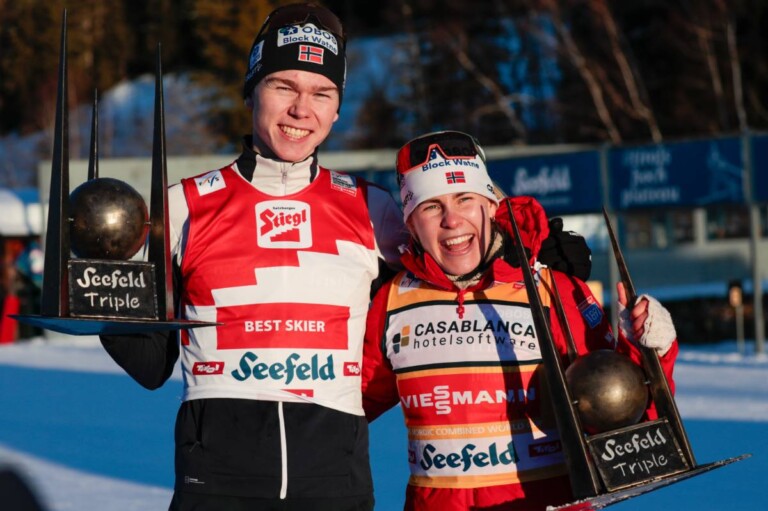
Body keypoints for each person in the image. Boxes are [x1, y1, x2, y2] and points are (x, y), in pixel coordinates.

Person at [99, 4, 407, 510]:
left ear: (336, 109)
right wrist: (99, 274)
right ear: (252, 91)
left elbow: (451, 277)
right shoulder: (184, 206)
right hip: (217, 486)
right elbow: (151, 364)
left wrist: (531, 251)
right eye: (283, 86)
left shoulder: (374, 210)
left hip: (336, 486)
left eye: (321, 93)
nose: (301, 109)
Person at [361, 130, 679, 511]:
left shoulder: (553, 287)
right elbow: (345, 403)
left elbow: (623, 408)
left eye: (465, 198)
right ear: (410, 223)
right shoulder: (393, 299)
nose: (451, 219)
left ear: (493, 206)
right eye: (430, 206)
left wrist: (652, 349)